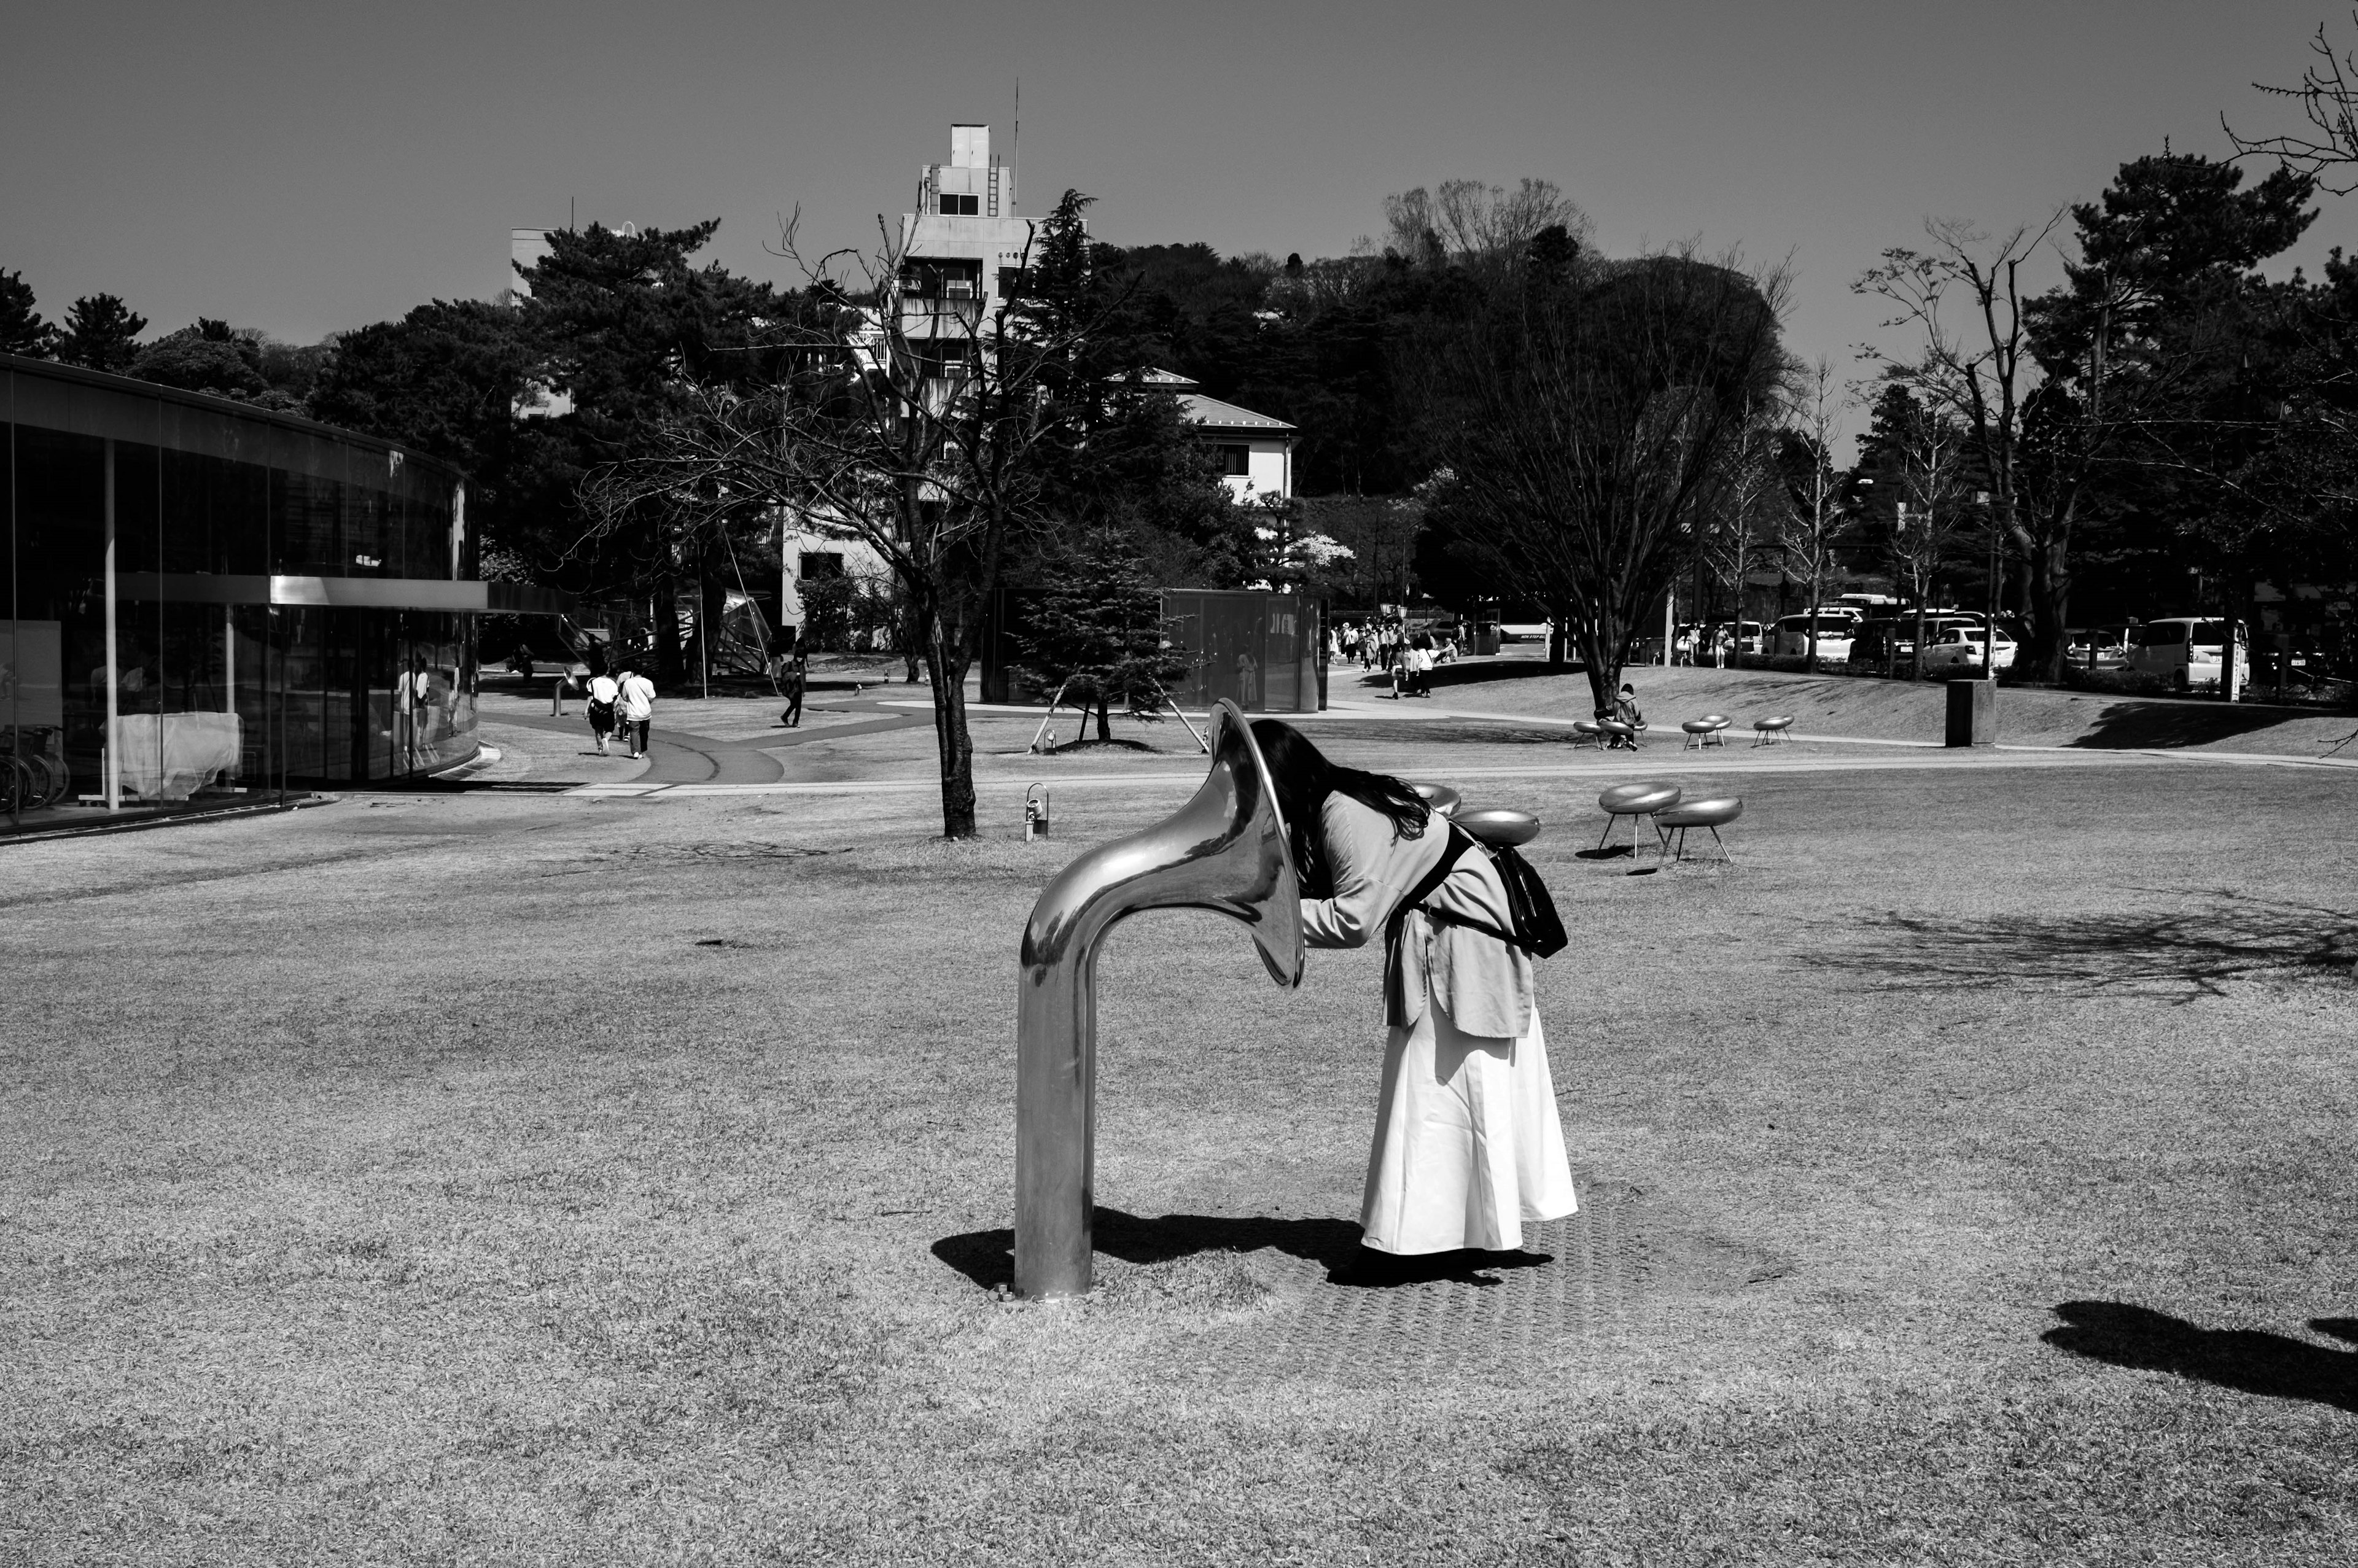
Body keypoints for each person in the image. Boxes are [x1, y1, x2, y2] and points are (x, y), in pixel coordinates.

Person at [1251, 720, 1577, 1267]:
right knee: (1462, 1092)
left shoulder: (1342, 812)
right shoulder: (1343, 797)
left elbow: (1355, 920)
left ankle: (1400, 1249)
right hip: (1459, 941)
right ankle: (1465, 1237)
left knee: (1432, 1092)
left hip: (1460, 946)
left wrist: (1266, 913)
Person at [616, 662, 656, 759]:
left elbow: (624, 696)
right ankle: (642, 750)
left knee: (634, 731)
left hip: (633, 711)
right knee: (644, 731)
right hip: (645, 711)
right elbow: (652, 697)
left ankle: (635, 752)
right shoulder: (648, 682)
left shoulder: (628, 683)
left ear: (633, 672)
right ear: (642, 672)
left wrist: (631, 700)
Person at [585, 666, 620, 755]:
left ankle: (600, 749)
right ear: (607, 671)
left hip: (596, 708)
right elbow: (615, 697)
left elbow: (590, 697)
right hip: (608, 708)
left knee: (598, 729)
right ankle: (606, 739)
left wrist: (587, 710)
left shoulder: (593, 682)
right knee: (610, 729)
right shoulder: (612, 683)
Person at [780, 651, 807, 728]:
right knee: (794, 704)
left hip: (799, 688)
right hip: (791, 688)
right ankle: (785, 717)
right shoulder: (790, 664)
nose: (800, 659)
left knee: (799, 706)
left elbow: (803, 679)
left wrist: (804, 690)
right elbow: (784, 675)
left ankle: (796, 722)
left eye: (801, 657)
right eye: (798, 657)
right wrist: (795, 675)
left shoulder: (802, 666)